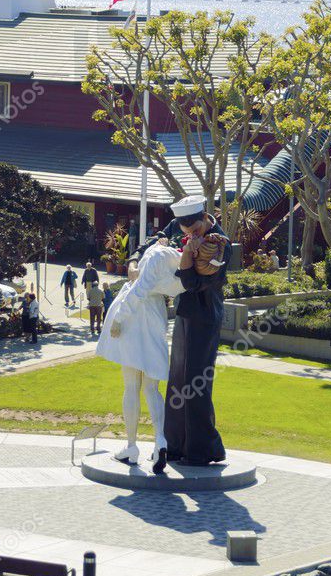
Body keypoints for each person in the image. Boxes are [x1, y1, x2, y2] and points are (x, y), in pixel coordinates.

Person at [128, 195, 231, 466]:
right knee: (177, 380)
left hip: (206, 314)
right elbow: (150, 241)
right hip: (185, 313)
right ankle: (174, 445)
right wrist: (135, 261)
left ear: (205, 218)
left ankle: (202, 450)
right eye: (186, 233)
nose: (191, 235)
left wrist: (186, 255)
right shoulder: (178, 226)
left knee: (196, 383)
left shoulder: (220, 243)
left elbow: (194, 283)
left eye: (195, 230)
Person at [97, 243, 183, 473]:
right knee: (151, 389)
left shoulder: (155, 256)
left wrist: (118, 318)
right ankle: (160, 440)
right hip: (156, 316)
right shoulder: (175, 260)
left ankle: (132, 446)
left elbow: (138, 290)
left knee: (131, 386)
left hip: (136, 320)